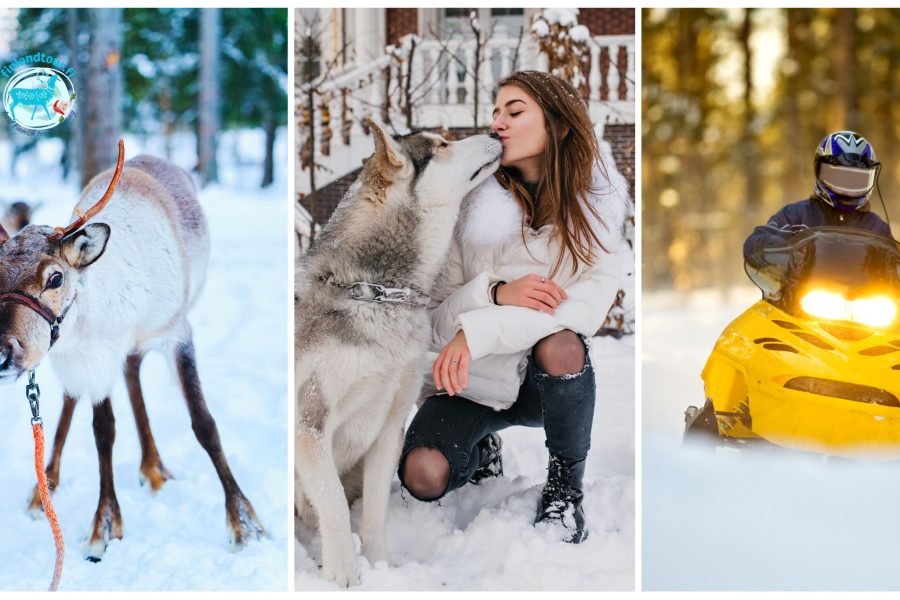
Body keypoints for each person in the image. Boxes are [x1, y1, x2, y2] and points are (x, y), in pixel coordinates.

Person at [397, 71, 630, 544]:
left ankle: (565, 489)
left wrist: (479, 331)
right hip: (463, 383)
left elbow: (578, 315)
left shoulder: (598, 216)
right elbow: (433, 320)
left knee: (563, 345)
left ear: (558, 124)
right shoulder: (467, 206)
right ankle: (482, 450)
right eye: (496, 111)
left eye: (515, 111)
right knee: (422, 476)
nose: (498, 122)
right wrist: (494, 291)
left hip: (540, 387)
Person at [744, 130, 891, 260]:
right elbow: (756, 241)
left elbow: (894, 260)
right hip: (802, 289)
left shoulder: (877, 228)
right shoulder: (796, 216)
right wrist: (785, 250)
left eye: (856, 180)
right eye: (840, 178)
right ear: (819, 172)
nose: (847, 190)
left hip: (863, 291)